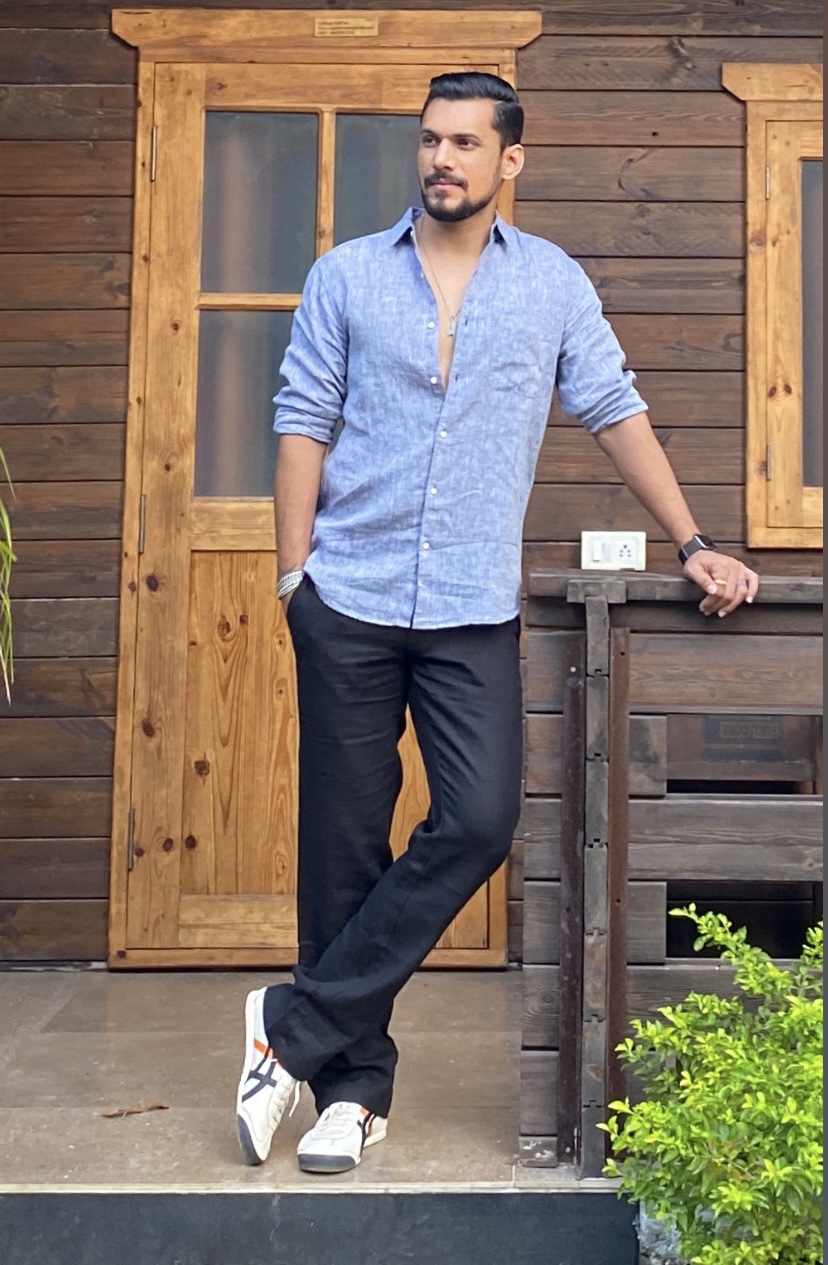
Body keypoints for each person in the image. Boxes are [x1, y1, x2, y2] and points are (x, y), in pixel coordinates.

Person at [235, 72, 758, 1174]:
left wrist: (692, 539)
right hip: (349, 597)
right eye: (432, 140)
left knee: (477, 821)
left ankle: (290, 1023)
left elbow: (614, 408)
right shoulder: (345, 276)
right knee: (342, 847)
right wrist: (294, 580)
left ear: (509, 160)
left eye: (467, 143)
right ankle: (352, 1095)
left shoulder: (551, 284)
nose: (444, 159)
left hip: (473, 605)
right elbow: (301, 422)